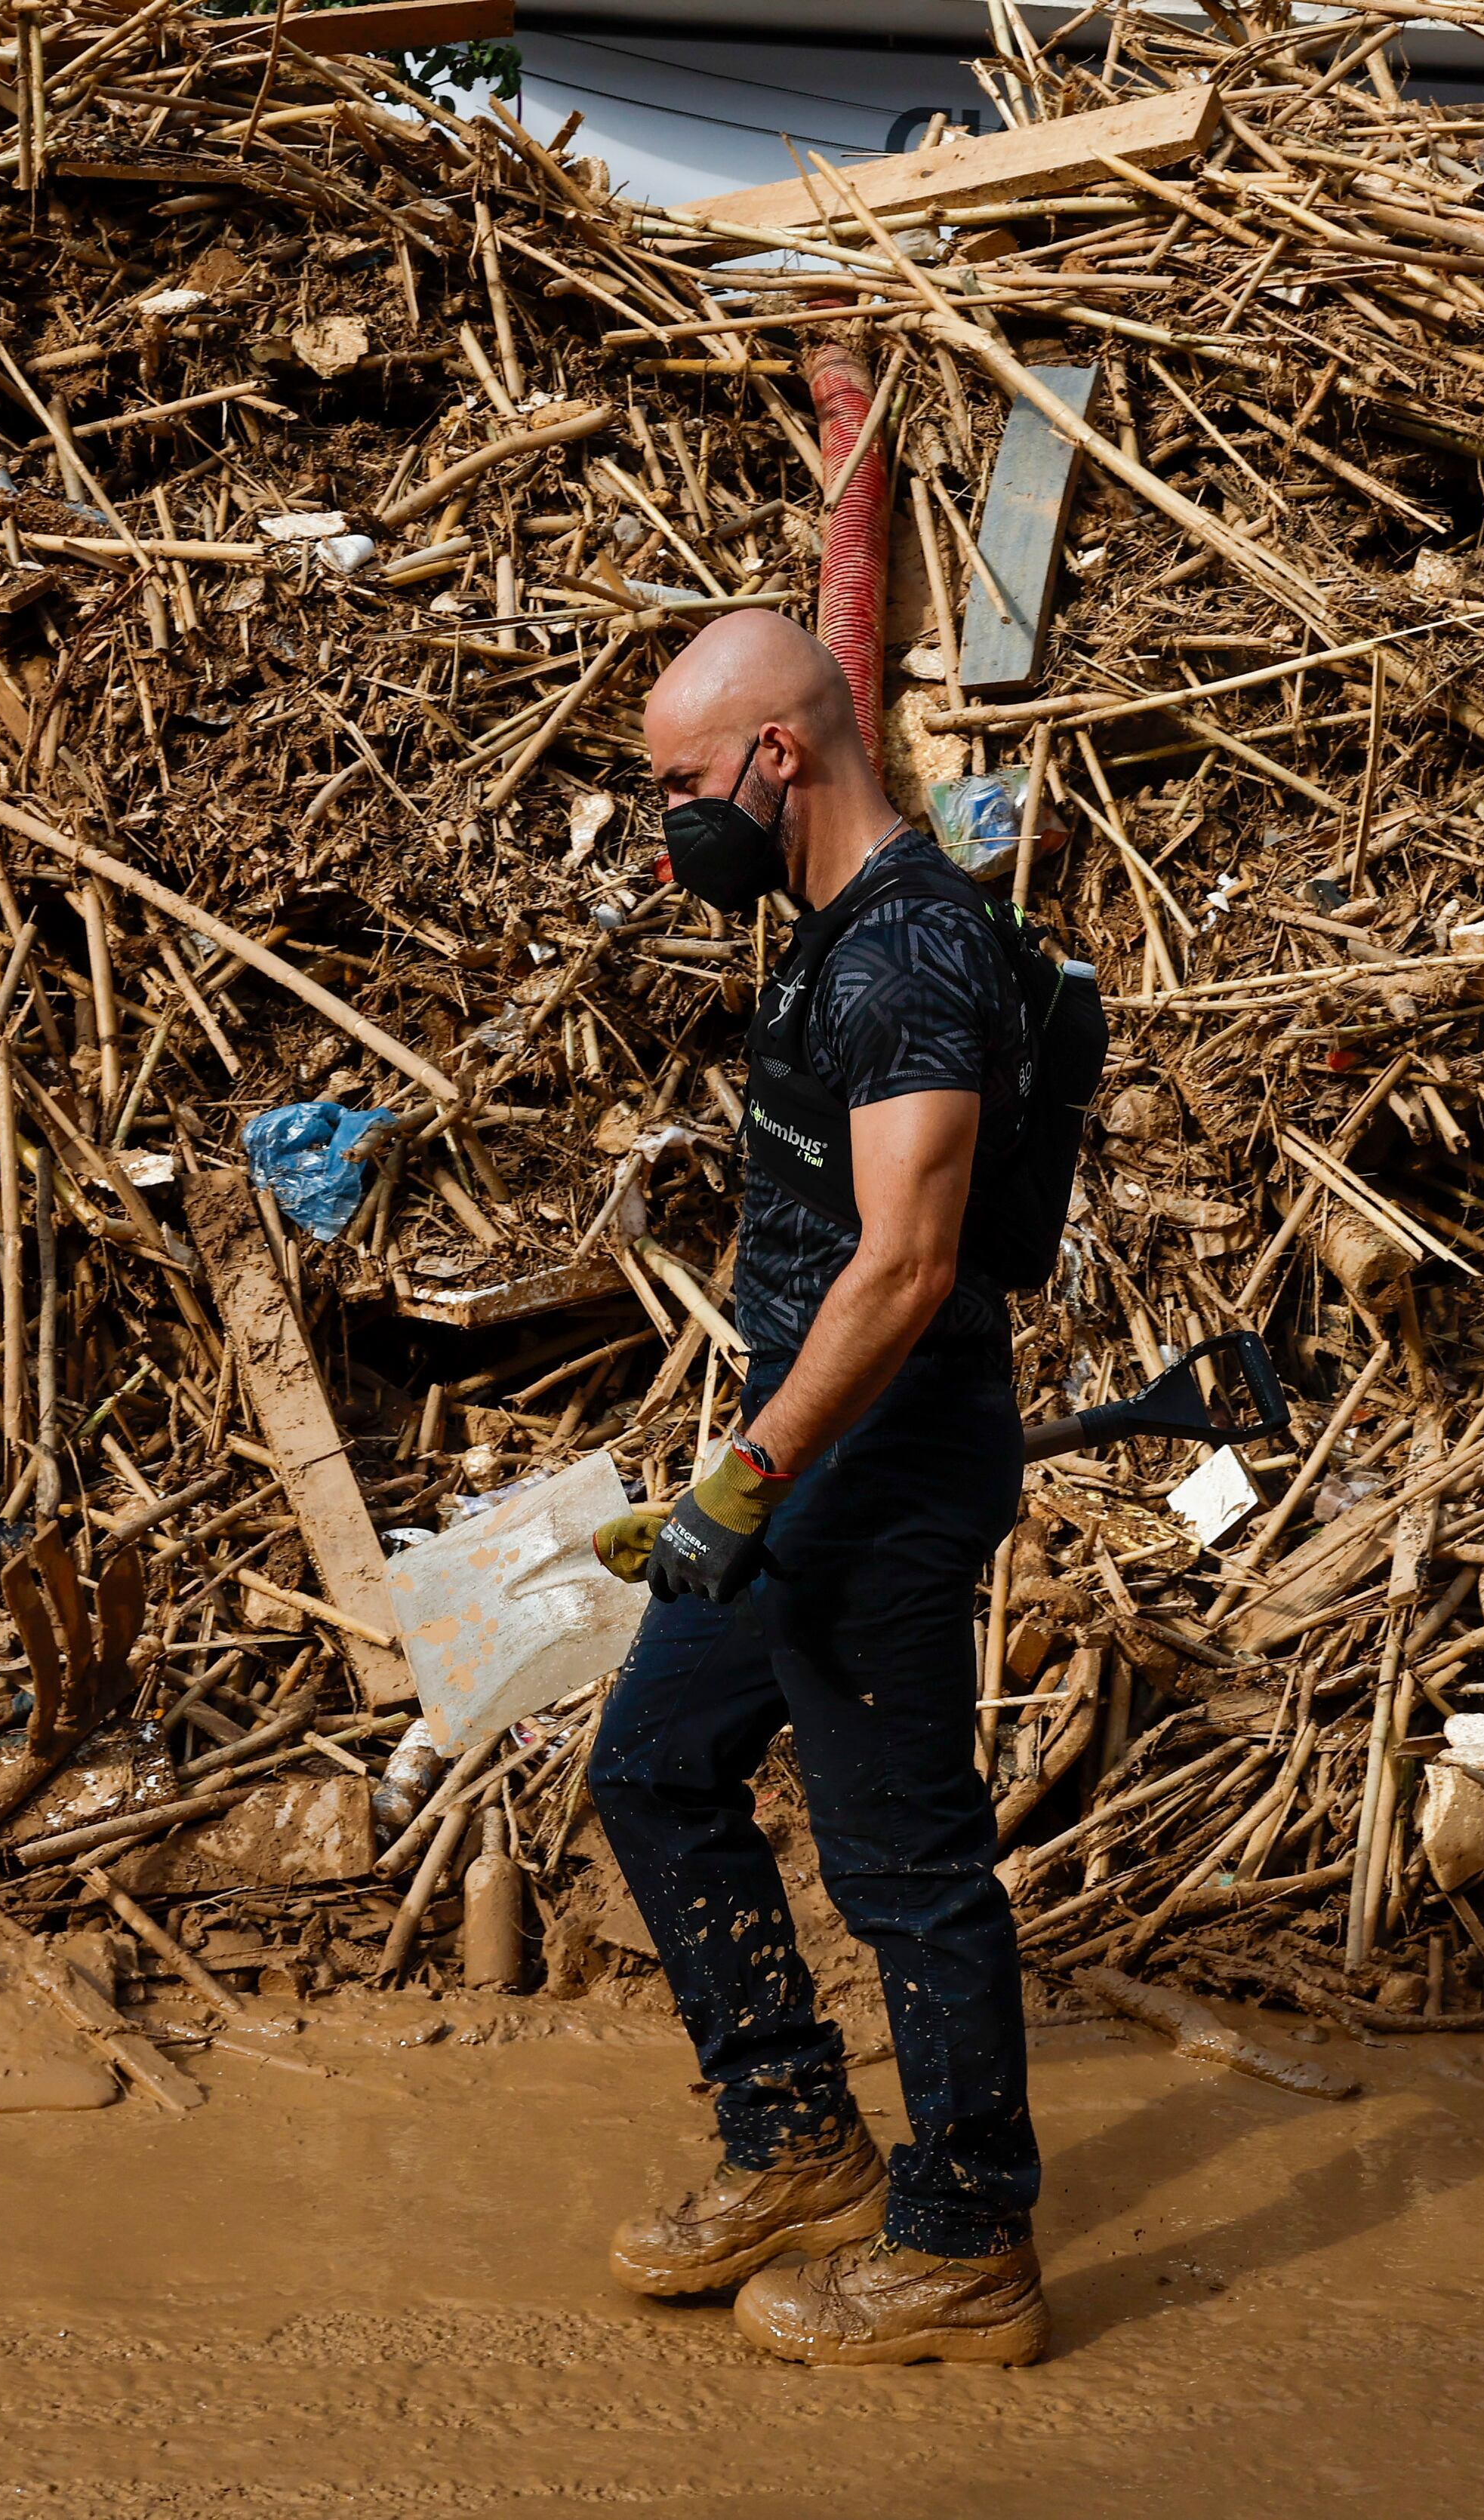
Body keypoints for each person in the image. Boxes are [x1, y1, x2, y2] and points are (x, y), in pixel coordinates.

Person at [585, 609, 1045, 2369]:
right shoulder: (819, 930)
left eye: (684, 783)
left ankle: (965, 2237)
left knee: (904, 1859)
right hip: (797, 1467)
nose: (669, 824)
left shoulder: (913, 954)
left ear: (779, 756)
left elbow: (909, 1262)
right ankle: (794, 2133)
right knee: (652, 1762)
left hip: (876, 1475)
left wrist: (748, 1475)